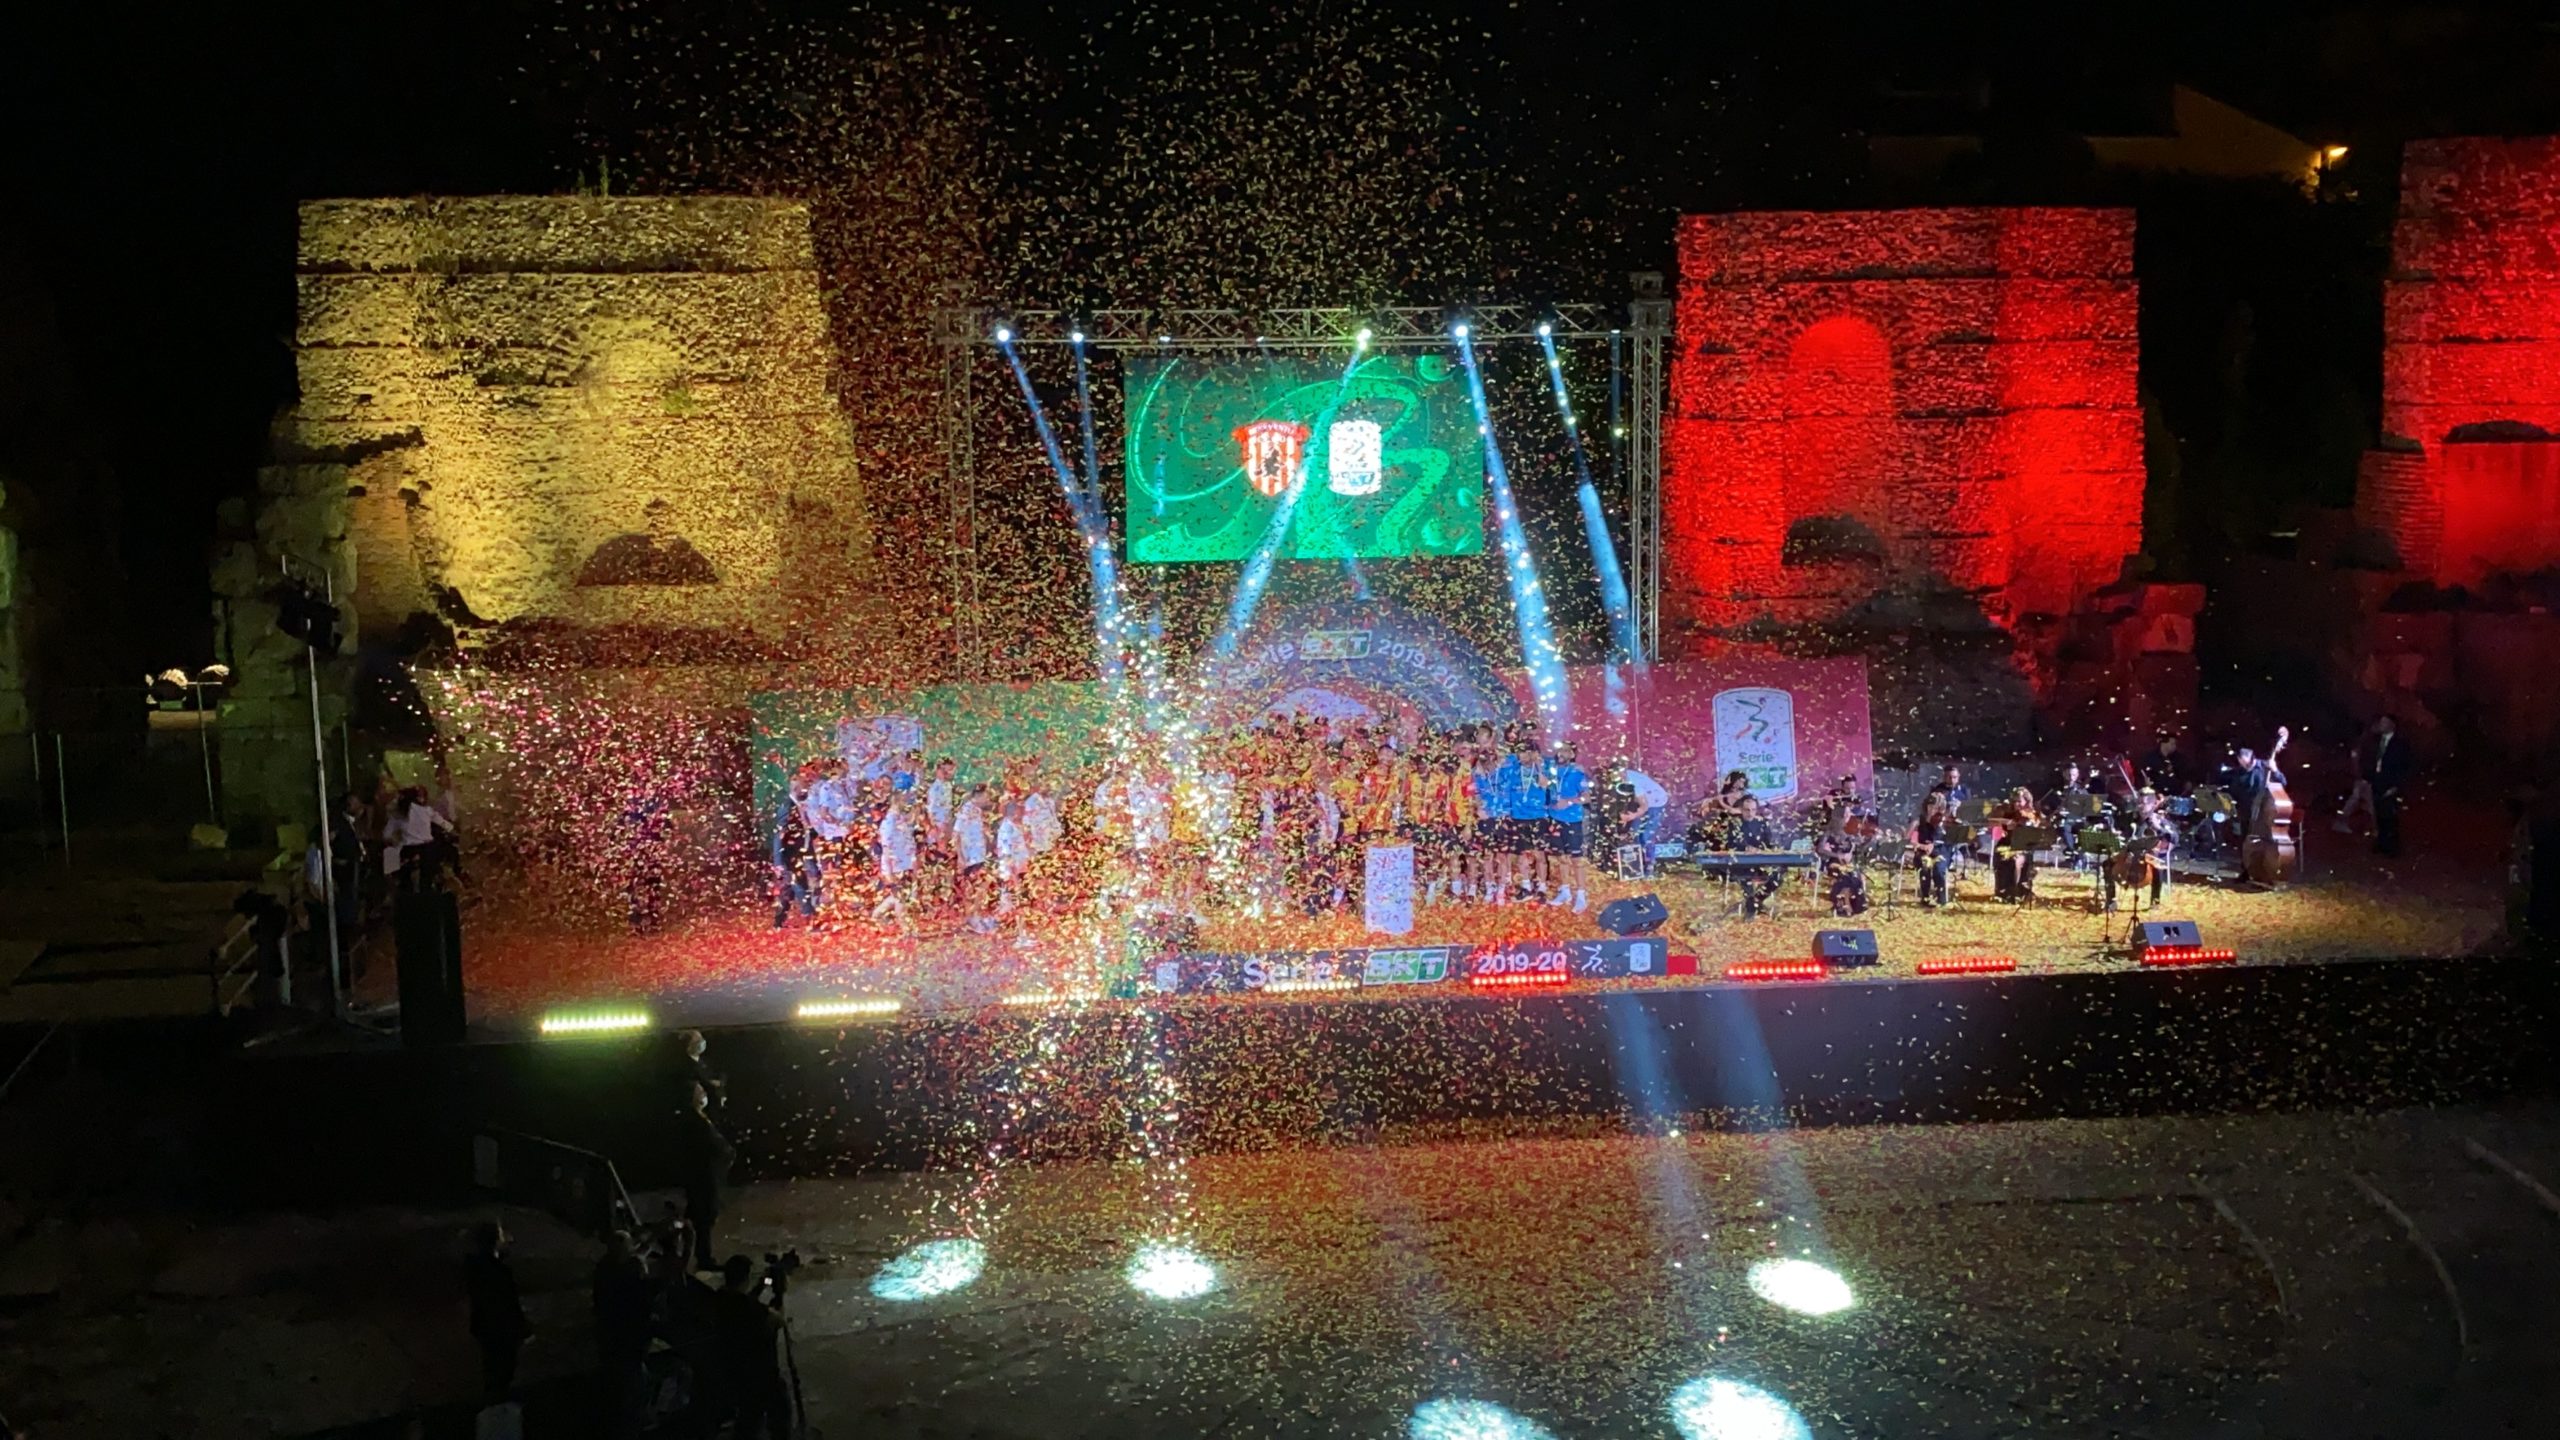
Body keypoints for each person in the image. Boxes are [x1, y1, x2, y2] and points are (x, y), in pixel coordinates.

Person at [706, 1255, 787, 1439]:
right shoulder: (753, 1310)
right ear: (745, 1277)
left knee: (748, 1417)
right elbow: (778, 1321)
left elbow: (742, 1301)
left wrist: (763, 1284)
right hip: (757, 1373)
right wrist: (779, 1294)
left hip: (732, 1368)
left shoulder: (720, 1298)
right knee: (778, 1411)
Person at [591, 1229, 654, 1432]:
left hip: (608, 1338)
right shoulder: (630, 1275)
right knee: (634, 1388)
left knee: (616, 1382)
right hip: (629, 1342)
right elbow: (645, 1301)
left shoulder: (604, 1268)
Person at [463, 1221, 529, 1400]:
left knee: (492, 1371)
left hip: (488, 1330)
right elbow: (508, 1303)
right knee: (502, 1372)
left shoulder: (476, 1270)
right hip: (501, 1331)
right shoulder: (499, 1272)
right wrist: (521, 1328)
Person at [678, 1082, 735, 1270]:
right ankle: (703, 1258)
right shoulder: (695, 1122)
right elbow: (711, 1144)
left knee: (702, 1216)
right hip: (702, 1177)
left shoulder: (698, 1118)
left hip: (703, 1175)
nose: (704, 1094)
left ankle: (701, 1255)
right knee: (703, 1217)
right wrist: (726, 1153)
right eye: (700, 1092)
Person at [1547, 742, 1590, 913]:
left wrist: (1569, 801)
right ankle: (1565, 891)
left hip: (1572, 820)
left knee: (1576, 859)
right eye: (1560, 750)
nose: (1561, 753)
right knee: (1561, 857)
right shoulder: (1551, 770)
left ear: (1572, 755)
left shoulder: (1577, 773)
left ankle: (1581, 895)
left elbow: (1587, 797)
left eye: (1566, 751)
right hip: (1553, 819)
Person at [771, 781, 820, 929]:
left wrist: (812, 833)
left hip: (801, 852)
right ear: (796, 789)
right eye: (803, 788)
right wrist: (778, 861)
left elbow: (804, 828)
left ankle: (778, 921)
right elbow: (780, 834)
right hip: (789, 855)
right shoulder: (787, 806)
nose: (806, 791)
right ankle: (810, 919)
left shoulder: (799, 806)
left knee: (789, 889)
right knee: (800, 886)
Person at [2365, 714, 2412, 858]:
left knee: (2390, 816)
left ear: (2392, 725)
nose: (2381, 724)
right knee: (2379, 813)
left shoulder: (2400, 744)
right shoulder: (2377, 742)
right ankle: (2381, 843)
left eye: (2385, 722)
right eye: (2381, 721)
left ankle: (2392, 847)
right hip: (2378, 782)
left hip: (2391, 783)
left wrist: (2396, 785)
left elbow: (2405, 766)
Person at [1732, 795, 1783, 919]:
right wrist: (1746, 848)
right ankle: (1752, 908)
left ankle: (1755, 900)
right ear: (1741, 810)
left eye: (1753, 810)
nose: (1750, 813)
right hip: (1740, 863)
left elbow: (1769, 842)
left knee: (1779, 873)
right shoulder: (1735, 823)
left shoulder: (1762, 823)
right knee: (1746, 875)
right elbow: (1734, 841)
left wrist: (1773, 848)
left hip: (1761, 862)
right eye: (1747, 810)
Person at [1620, 764, 1669, 876]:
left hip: (1656, 803)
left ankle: (1650, 867)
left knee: (1646, 835)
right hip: (1643, 803)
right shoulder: (1624, 777)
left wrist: (1632, 816)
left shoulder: (1635, 784)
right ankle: (1637, 866)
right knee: (1634, 832)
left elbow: (1644, 806)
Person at [1910, 792, 1953, 908]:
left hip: (1941, 852)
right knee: (1925, 866)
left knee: (1939, 868)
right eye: (1932, 807)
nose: (1934, 810)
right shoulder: (1920, 821)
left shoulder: (1944, 822)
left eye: (1938, 807)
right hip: (1923, 852)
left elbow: (1949, 839)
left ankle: (1942, 899)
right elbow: (1912, 840)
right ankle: (1925, 897)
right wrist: (1921, 846)